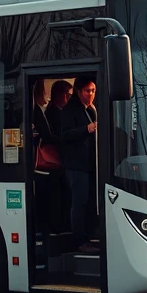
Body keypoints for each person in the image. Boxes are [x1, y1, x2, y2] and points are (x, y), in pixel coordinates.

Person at [58, 77, 99, 253]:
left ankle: (89, 236)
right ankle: (80, 241)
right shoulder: (69, 110)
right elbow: (65, 135)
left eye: (93, 91)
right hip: (76, 165)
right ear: (78, 91)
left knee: (88, 201)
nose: (91, 94)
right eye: (87, 91)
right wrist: (86, 129)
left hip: (89, 164)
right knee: (79, 202)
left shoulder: (90, 109)